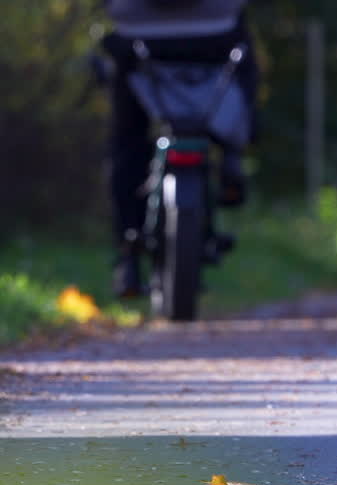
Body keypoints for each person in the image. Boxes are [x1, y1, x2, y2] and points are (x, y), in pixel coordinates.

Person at [101, 0, 258, 298]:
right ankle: (232, 156)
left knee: (126, 141)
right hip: (216, 35)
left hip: (139, 38)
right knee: (245, 65)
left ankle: (128, 253)